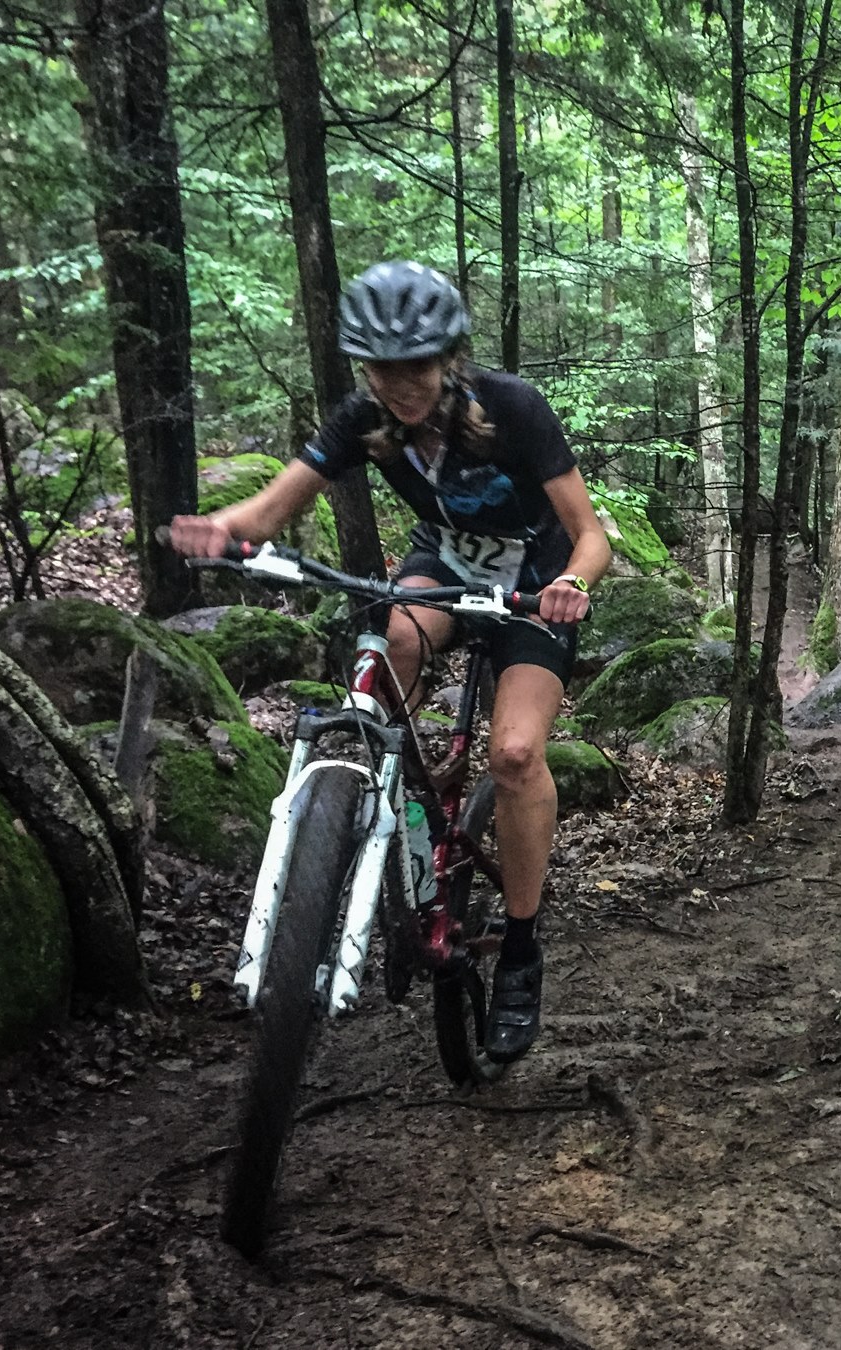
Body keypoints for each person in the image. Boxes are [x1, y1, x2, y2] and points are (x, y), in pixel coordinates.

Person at [166, 259, 612, 1062]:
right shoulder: (365, 418)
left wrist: (572, 585)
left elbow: (590, 534)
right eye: (381, 368)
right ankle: (383, 794)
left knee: (514, 753)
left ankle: (520, 950)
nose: (399, 385)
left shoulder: (511, 406)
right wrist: (220, 528)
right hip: (445, 568)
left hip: (534, 587)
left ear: (448, 359)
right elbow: (272, 508)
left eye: (415, 367)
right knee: (392, 636)